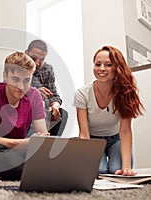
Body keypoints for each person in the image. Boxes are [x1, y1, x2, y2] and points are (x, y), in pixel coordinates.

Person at [0, 52, 49, 180]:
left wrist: (32, 144)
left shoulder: (34, 95)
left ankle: (32, 171)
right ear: (5, 76)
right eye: (15, 79)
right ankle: (39, 172)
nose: (21, 87)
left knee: (48, 152)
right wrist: (26, 143)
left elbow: (43, 138)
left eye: (27, 81)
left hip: (18, 152)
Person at [73, 45, 144, 176]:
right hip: (93, 140)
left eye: (108, 64)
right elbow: (84, 133)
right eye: (97, 64)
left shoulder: (125, 93)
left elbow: (125, 131)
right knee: (98, 171)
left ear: (117, 68)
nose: (101, 69)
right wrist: (86, 161)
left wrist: (127, 167)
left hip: (116, 139)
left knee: (116, 171)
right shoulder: (82, 93)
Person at [25, 40, 68, 136]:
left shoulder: (47, 69)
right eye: (33, 58)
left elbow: (54, 95)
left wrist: (55, 106)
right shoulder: (19, 66)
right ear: (26, 53)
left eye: (41, 59)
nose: (37, 63)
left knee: (62, 113)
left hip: (45, 109)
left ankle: (50, 145)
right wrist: (34, 92)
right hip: (27, 108)